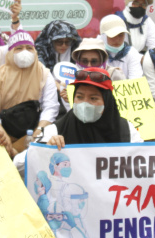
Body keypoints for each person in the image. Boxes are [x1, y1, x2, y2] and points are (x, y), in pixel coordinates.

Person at [13, 68, 143, 172]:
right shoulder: (56, 131)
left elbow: (144, 165)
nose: (84, 104)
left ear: (107, 103)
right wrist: (44, 150)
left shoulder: (126, 130)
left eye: (93, 98)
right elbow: (17, 165)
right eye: (79, 97)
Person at [0, 30, 59, 151]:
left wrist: (37, 133)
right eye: (19, 48)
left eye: (29, 48)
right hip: (4, 128)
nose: (25, 52)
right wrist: (1, 133)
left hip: (33, 130)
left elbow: (51, 108)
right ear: (10, 52)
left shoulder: (44, 73)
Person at [99, 15, 143, 80]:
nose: (117, 39)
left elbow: (136, 80)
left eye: (121, 35)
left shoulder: (131, 53)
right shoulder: (97, 54)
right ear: (104, 36)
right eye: (113, 35)